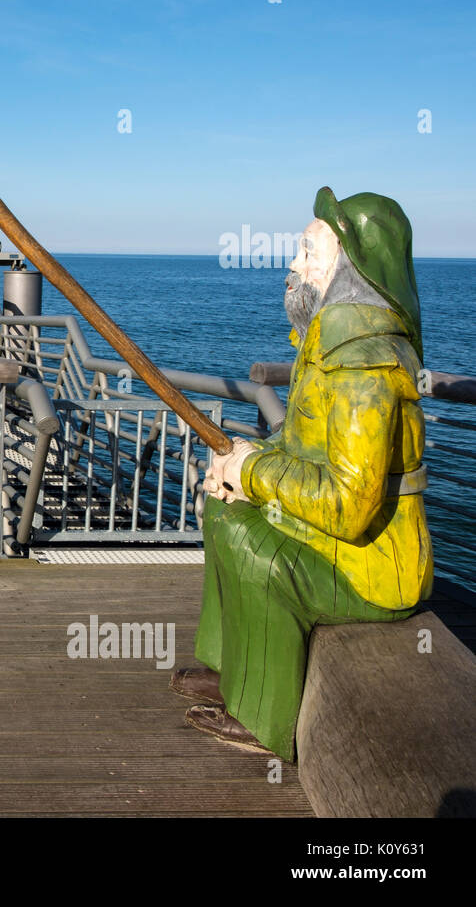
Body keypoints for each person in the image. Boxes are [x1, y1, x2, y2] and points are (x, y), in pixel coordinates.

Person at [183, 187, 431, 760]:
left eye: (309, 252)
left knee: (255, 548)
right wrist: (246, 462)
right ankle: (233, 670)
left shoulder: (362, 367)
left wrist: (256, 473)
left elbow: (350, 505)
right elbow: (301, 445)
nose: (293, 264)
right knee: (225, 508)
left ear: (352, 269)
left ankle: (263, 718)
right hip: (342, 537)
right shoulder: (326, 343)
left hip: (374, 566)